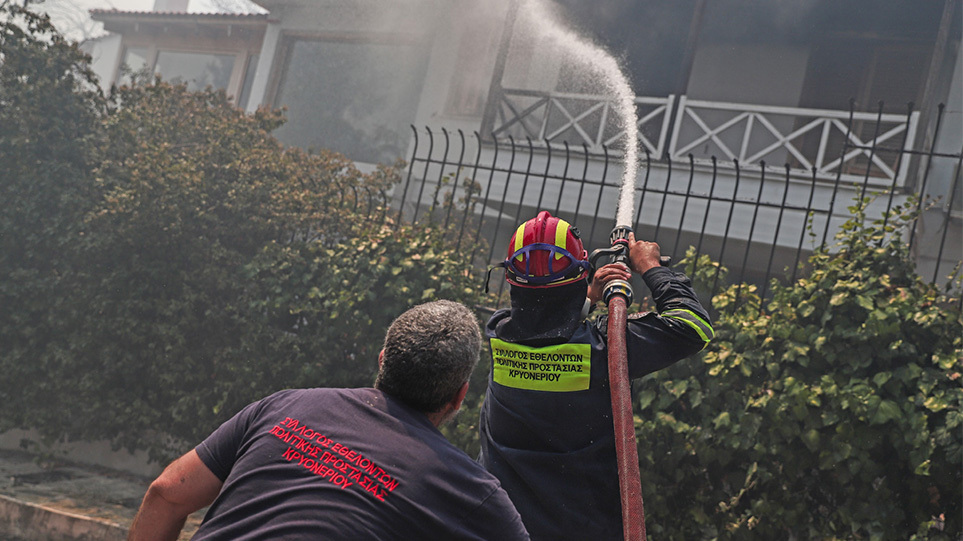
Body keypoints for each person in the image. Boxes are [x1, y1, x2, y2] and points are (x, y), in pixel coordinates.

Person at [129, 300, 530, 541]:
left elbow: (167, 493)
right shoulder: (470, 493)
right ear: (459, 396)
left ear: (382, 359)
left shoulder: (286, 407)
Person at [478, 211, 714, 540]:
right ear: (581, 272)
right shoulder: (608, 351)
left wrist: (587, 295)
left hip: (502, 529)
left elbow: (545, 322)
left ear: (510, 279)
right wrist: (651, 266)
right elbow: (693, 327)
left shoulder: (499, 338)